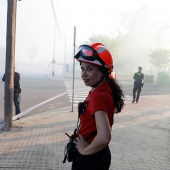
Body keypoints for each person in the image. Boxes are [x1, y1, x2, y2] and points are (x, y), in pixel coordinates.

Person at [71, 43, 124, 170]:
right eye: (82, 69)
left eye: (90, 69)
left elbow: (104, 137)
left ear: (103, 72)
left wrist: (84, 151)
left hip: (90, 159)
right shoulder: (100, 90)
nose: (84, 74)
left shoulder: (98, 97)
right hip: (97, 155)